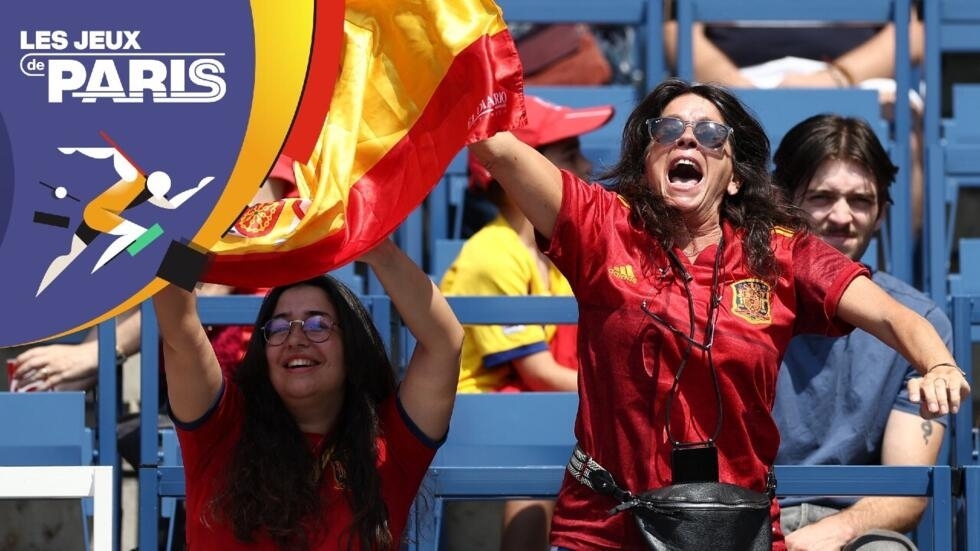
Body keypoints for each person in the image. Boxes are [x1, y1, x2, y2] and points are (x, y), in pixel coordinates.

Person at [467, 78, 970, 551]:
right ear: (647, 159)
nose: (687, 140)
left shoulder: (781, 253)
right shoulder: (602, 225)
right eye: (667, 130)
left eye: (710, 134)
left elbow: (898, 319)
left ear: (733, 178)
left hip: (731, 527)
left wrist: (938, 364)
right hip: (606, 524)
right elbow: (498, 145)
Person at [152, 237, 463, 550]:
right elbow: (180, 329)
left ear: (351, 346)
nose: (296, 338)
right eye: (278, 327)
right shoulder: (220, 428)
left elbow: (445, 345)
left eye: (318, 325)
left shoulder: (390, 446)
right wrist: (184, 236)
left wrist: (381, 252)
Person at [441, 95, 613, 550]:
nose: (586, 164)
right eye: (569, 152)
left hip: (535, 420)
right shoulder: (492, 252)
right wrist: (624, 390)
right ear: (520, 165)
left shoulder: (554, 254)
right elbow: (536, 372)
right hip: (483, 436)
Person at [771, 113, 951, 551]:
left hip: (855, 530)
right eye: (821, 197)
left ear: (882, 214)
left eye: (860, 201)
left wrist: (833, 532)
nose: (842, 216)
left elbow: (906, 489)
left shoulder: (918, 322)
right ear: (781, 202)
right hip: (745, 517)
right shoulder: (733, 304)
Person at [661, 3, 928, 236]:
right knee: (688, 123)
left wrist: (834, 77)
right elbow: (676, 31)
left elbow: (911, 33)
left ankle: (887, 273)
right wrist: (735, 83)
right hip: (735, 77)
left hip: (851, 77)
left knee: (903, 118)